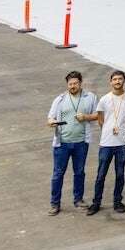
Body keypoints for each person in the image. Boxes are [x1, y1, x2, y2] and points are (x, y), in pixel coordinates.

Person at [46, 71, 98, 215]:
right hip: (62, 143)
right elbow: (50, 117)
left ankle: (78, 199)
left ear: (80, 83)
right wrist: (52, 123)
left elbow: (98, 115)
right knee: (58, 174)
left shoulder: (90, 97)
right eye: (70, 84)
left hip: (81, 142)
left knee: (79, 172)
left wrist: (86, 117)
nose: (72, 86)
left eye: (75, 83)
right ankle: (55, 203)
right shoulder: (60, 99)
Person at [87, 70, 125, 215]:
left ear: (123, 81)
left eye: (120, 79)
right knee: (101, 174)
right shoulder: (104, 99)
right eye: (114, 79)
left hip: (122, 143)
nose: (117, 82)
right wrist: (108, 130)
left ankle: (117, 201)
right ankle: (96, 203)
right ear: (110, 82)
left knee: (120, 174)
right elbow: (100, 119)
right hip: (106, 143)